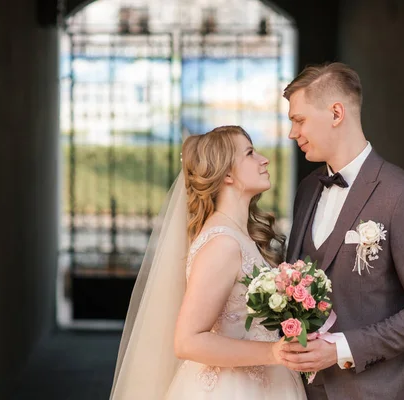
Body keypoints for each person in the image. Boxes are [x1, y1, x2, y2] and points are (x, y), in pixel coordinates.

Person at [279, 62, 404, 400]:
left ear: (336, 113)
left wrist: (341, 348)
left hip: (381, 390)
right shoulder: (307, 189)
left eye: (298, 120)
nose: (292, 133)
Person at [110, 125, 306, 399]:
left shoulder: (241, 235)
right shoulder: (222, 244)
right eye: (250, 153)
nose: (264, 159)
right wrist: (273, 352)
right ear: (226, 173)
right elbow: (188, 341)